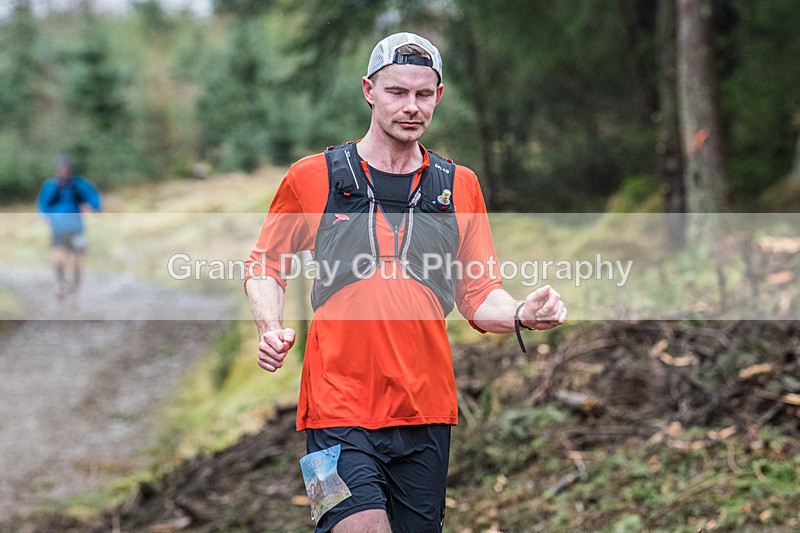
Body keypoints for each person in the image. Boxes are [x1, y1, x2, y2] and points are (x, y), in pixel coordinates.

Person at [244, 32, 567, 533]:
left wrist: (524, 312)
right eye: (397, 92)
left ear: (438, 96)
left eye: (423, 94)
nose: (410, 106)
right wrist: (270, 327)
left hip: (426, 413)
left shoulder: (460, 185)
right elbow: (265, 264)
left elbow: (479, 295)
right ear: (369, 91)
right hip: (334, 412)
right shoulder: (312, 177)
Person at [36, 155, 102, 300]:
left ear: (70, 169)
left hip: (76, 228)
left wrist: (92, 207)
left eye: (66, 168)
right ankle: (60, 284)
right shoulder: (51, 186)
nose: (64, 171)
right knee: (58, 260)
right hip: (58, 229)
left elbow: (94, 197)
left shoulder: (78, 185)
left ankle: (75, 291)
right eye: (61, 169)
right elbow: (42, 204)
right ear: (58, 170)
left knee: (77, 262)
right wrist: (44, 215)